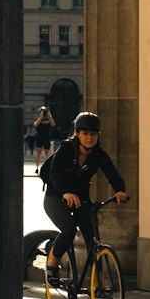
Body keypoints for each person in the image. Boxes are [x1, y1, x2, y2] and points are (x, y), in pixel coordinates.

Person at [40, 111, 127, 277]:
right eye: (85, 133)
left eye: (93, 134)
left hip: (80, 198)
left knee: (91, 237)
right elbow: (55, 172)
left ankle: (98, 282)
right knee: (69, 229)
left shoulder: (97, 154)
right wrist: (65, 192)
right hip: (56, 196)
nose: (89, 138)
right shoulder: (66, 149)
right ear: (77, 134)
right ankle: (53, 262)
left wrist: (120, 190)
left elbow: (111, 172)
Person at [32, 105, 55, 171]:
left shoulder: (49, 118)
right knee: (38, 152)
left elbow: (53, 124)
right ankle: (37, 167)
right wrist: (41, 117)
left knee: (47, 152)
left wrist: (49, 116)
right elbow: (35, 124)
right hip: (39, 137)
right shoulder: (38, 118)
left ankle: (46, 167)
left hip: (47, 137)